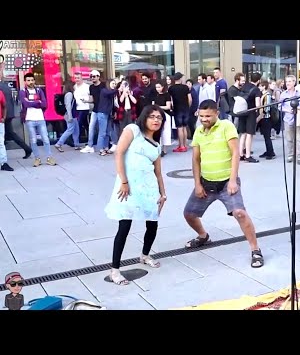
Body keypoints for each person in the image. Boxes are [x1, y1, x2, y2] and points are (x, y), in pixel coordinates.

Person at [183, 99, 264, 268]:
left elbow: (235, 153)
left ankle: (255, 250)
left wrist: (233, 180)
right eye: (201, 115)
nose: (204, 119)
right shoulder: (198, 131)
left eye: (208, 116)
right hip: (206, 183)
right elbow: (195, 159)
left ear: (216, 114)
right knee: (189, 214)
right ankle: (203, 236)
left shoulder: (226, 126)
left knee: (240, 213)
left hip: (227, 182)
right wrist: (197, 184)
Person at [104, 105, 167, 285]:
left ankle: (145, 255)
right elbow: (119, 153)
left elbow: (158, 172)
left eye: (159, 118)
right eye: (152, 116)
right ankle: (115, 270)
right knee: (124, 226)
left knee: (152, 224)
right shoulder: (133, 130)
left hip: (149, 189)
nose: (156, 120)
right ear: (144, 117)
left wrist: (163, 193)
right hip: (129, 187)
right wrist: (124, 181)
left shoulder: (156, 144)